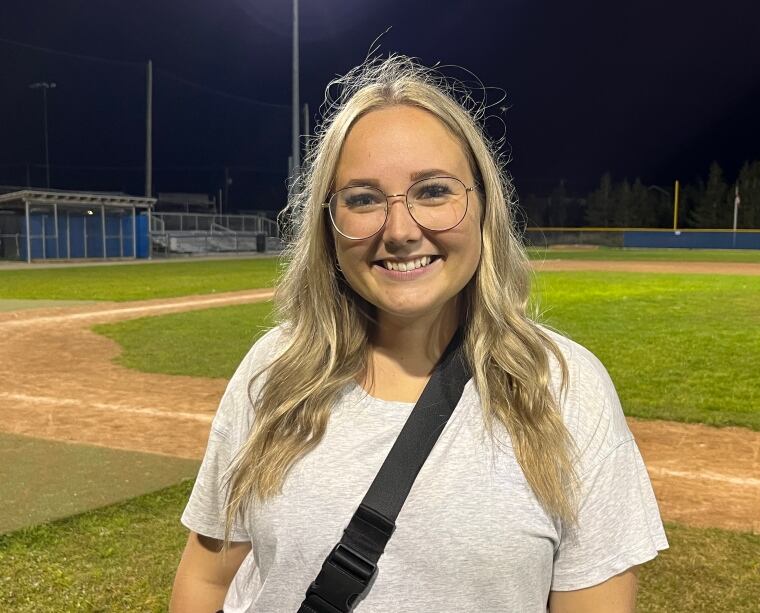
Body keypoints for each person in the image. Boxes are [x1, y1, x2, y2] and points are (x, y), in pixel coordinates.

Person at [170, 54, 668, 613]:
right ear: (328, 224)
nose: (401, 231)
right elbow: (207, 582)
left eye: (433, 190)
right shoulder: (274, 373)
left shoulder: (565, 389)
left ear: (483, 206)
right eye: (363, 199)